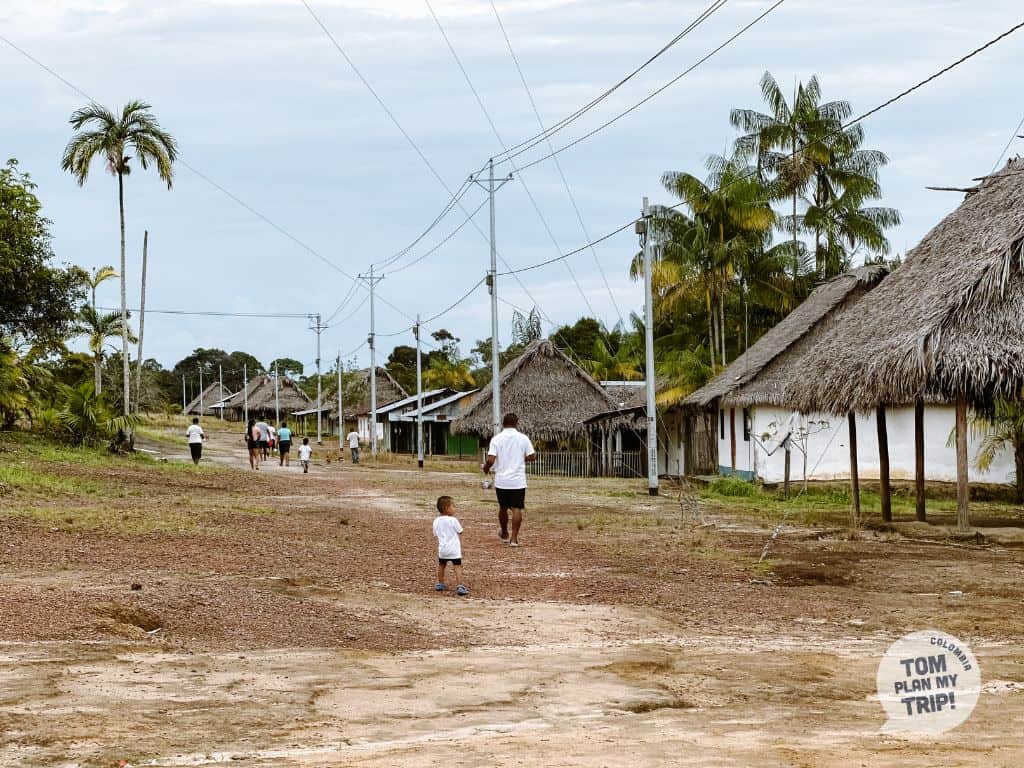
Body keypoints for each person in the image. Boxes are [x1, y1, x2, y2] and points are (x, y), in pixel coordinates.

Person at [482, 413, 536, 548]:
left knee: (503, 508)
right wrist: (521, 459)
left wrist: (486, 468)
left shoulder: (496, 439)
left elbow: (490, 459)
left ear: (502, 423)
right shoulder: (523, 438)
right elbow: (532, 456)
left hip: (502, 480)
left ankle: (505, 533)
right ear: (516, 423)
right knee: (517, 508)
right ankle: (514, 539)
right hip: (518, 480)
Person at [433, 495, 468, 596]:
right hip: (454, 549)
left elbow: (435, 534)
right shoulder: (453, 520)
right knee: (457, 566)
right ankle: (460, 585)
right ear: (447, 508)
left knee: (441, 565)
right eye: (453, 506)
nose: (455, 508)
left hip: (442, 549)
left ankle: (440, 583)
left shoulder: (436, 521)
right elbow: (460, 531)